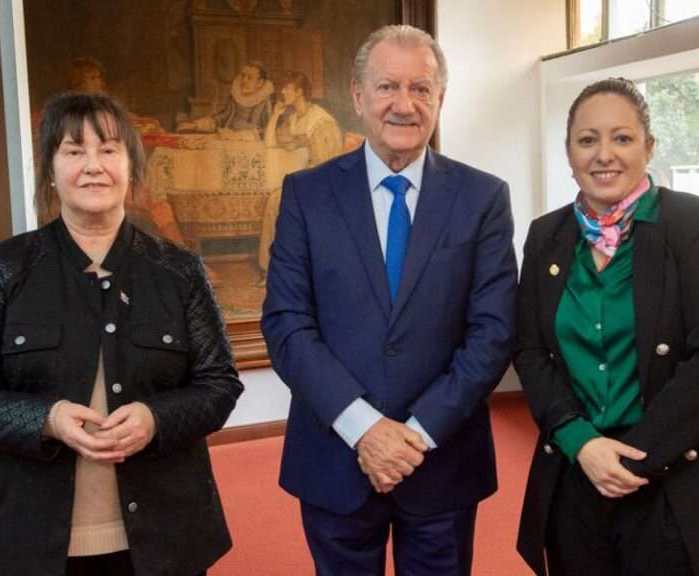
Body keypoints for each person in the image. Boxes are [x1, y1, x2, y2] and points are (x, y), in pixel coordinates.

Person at [0, 92, 243, 576]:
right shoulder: (5, 268)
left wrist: (155, 418)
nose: (93, 166)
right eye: (74, 151)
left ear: (131, 167)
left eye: (109, 150)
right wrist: (47, 419)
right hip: (29, 541)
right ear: (50, 171)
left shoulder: (179, 271)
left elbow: (220, 384)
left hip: (165, 539)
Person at [513, 78, 699, 576]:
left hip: (670, 478)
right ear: (569, 153)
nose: (604, 154)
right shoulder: (546, 237)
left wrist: (631, 460)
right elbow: (530, 350)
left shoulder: (690, 224)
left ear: (648, 148)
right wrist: (581, 442)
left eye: (622, 138)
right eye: (587, 140)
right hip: (577, 473)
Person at [261, 25, 517, 576]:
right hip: (335, 458)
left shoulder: (483, 197)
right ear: (358, 96)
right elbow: (287, 323)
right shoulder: (306, 194)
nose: (405, 104)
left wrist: (413, 438)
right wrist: (364, 428)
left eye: (421, 88)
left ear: (440, 99)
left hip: (443, 460)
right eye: (387, 87)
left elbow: (493, 332)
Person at [258, 70, 343, 279]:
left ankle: (290, 269)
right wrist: (276, 114)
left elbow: (328, 165)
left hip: (323, 184)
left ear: (299, 92)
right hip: (303, 182)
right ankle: (271, 268)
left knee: (281, 201)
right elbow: (270, 143)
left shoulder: (320, 121)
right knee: (274, 202)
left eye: (287, 88)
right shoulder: (293, 119)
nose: (282, 91)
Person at [177, 61, 273, 137]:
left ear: (260, 83)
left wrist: (240, 135)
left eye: (249, 78)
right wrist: (198, 125)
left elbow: (269, 130)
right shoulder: (237, 96)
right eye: (243, 76)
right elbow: (224, 117)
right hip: (226, 138)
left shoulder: (265, 101)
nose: (244, 81)